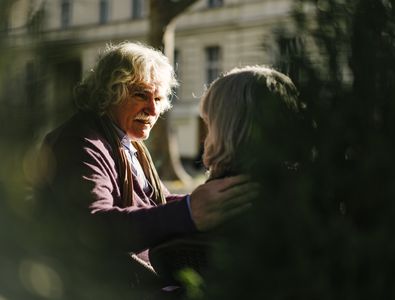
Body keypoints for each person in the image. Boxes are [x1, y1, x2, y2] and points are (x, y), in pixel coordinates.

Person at [34, 42, 256, 298]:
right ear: (109, 92)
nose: (153, 109)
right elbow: (93, 227)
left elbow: (154, 203)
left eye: (159, 98)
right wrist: (188, 212)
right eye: (141, 94)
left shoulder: (127, 142)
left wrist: (206, 204)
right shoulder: (80, 141)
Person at [149, 65, 309, 286]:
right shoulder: (310, 196)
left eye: (209, 123)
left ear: (224, 130)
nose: (205, 137)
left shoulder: (216, 205)